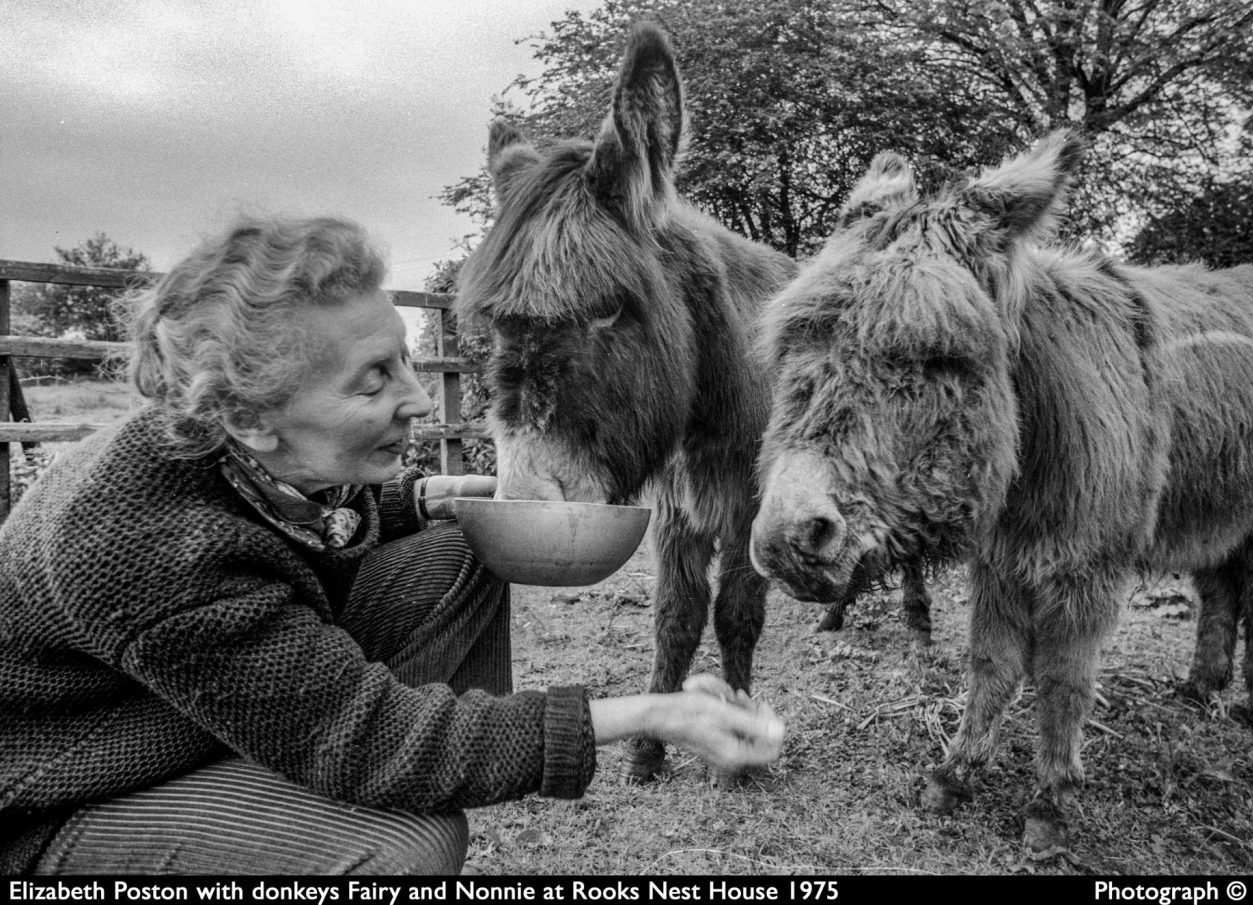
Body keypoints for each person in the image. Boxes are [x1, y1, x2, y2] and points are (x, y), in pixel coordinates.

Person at [0, 215, 784, 876]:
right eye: (374, 380)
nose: (416, 397)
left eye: (405, 356)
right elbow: (369, 732)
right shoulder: (143, 544)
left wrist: (423, 499)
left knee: (466, 544)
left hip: (205, 714)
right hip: (69, 792)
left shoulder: (257, 448)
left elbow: (301, 514)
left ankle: (412, 756)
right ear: (248, 416)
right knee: (404, 844)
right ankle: (382, 775)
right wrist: (655, 712)